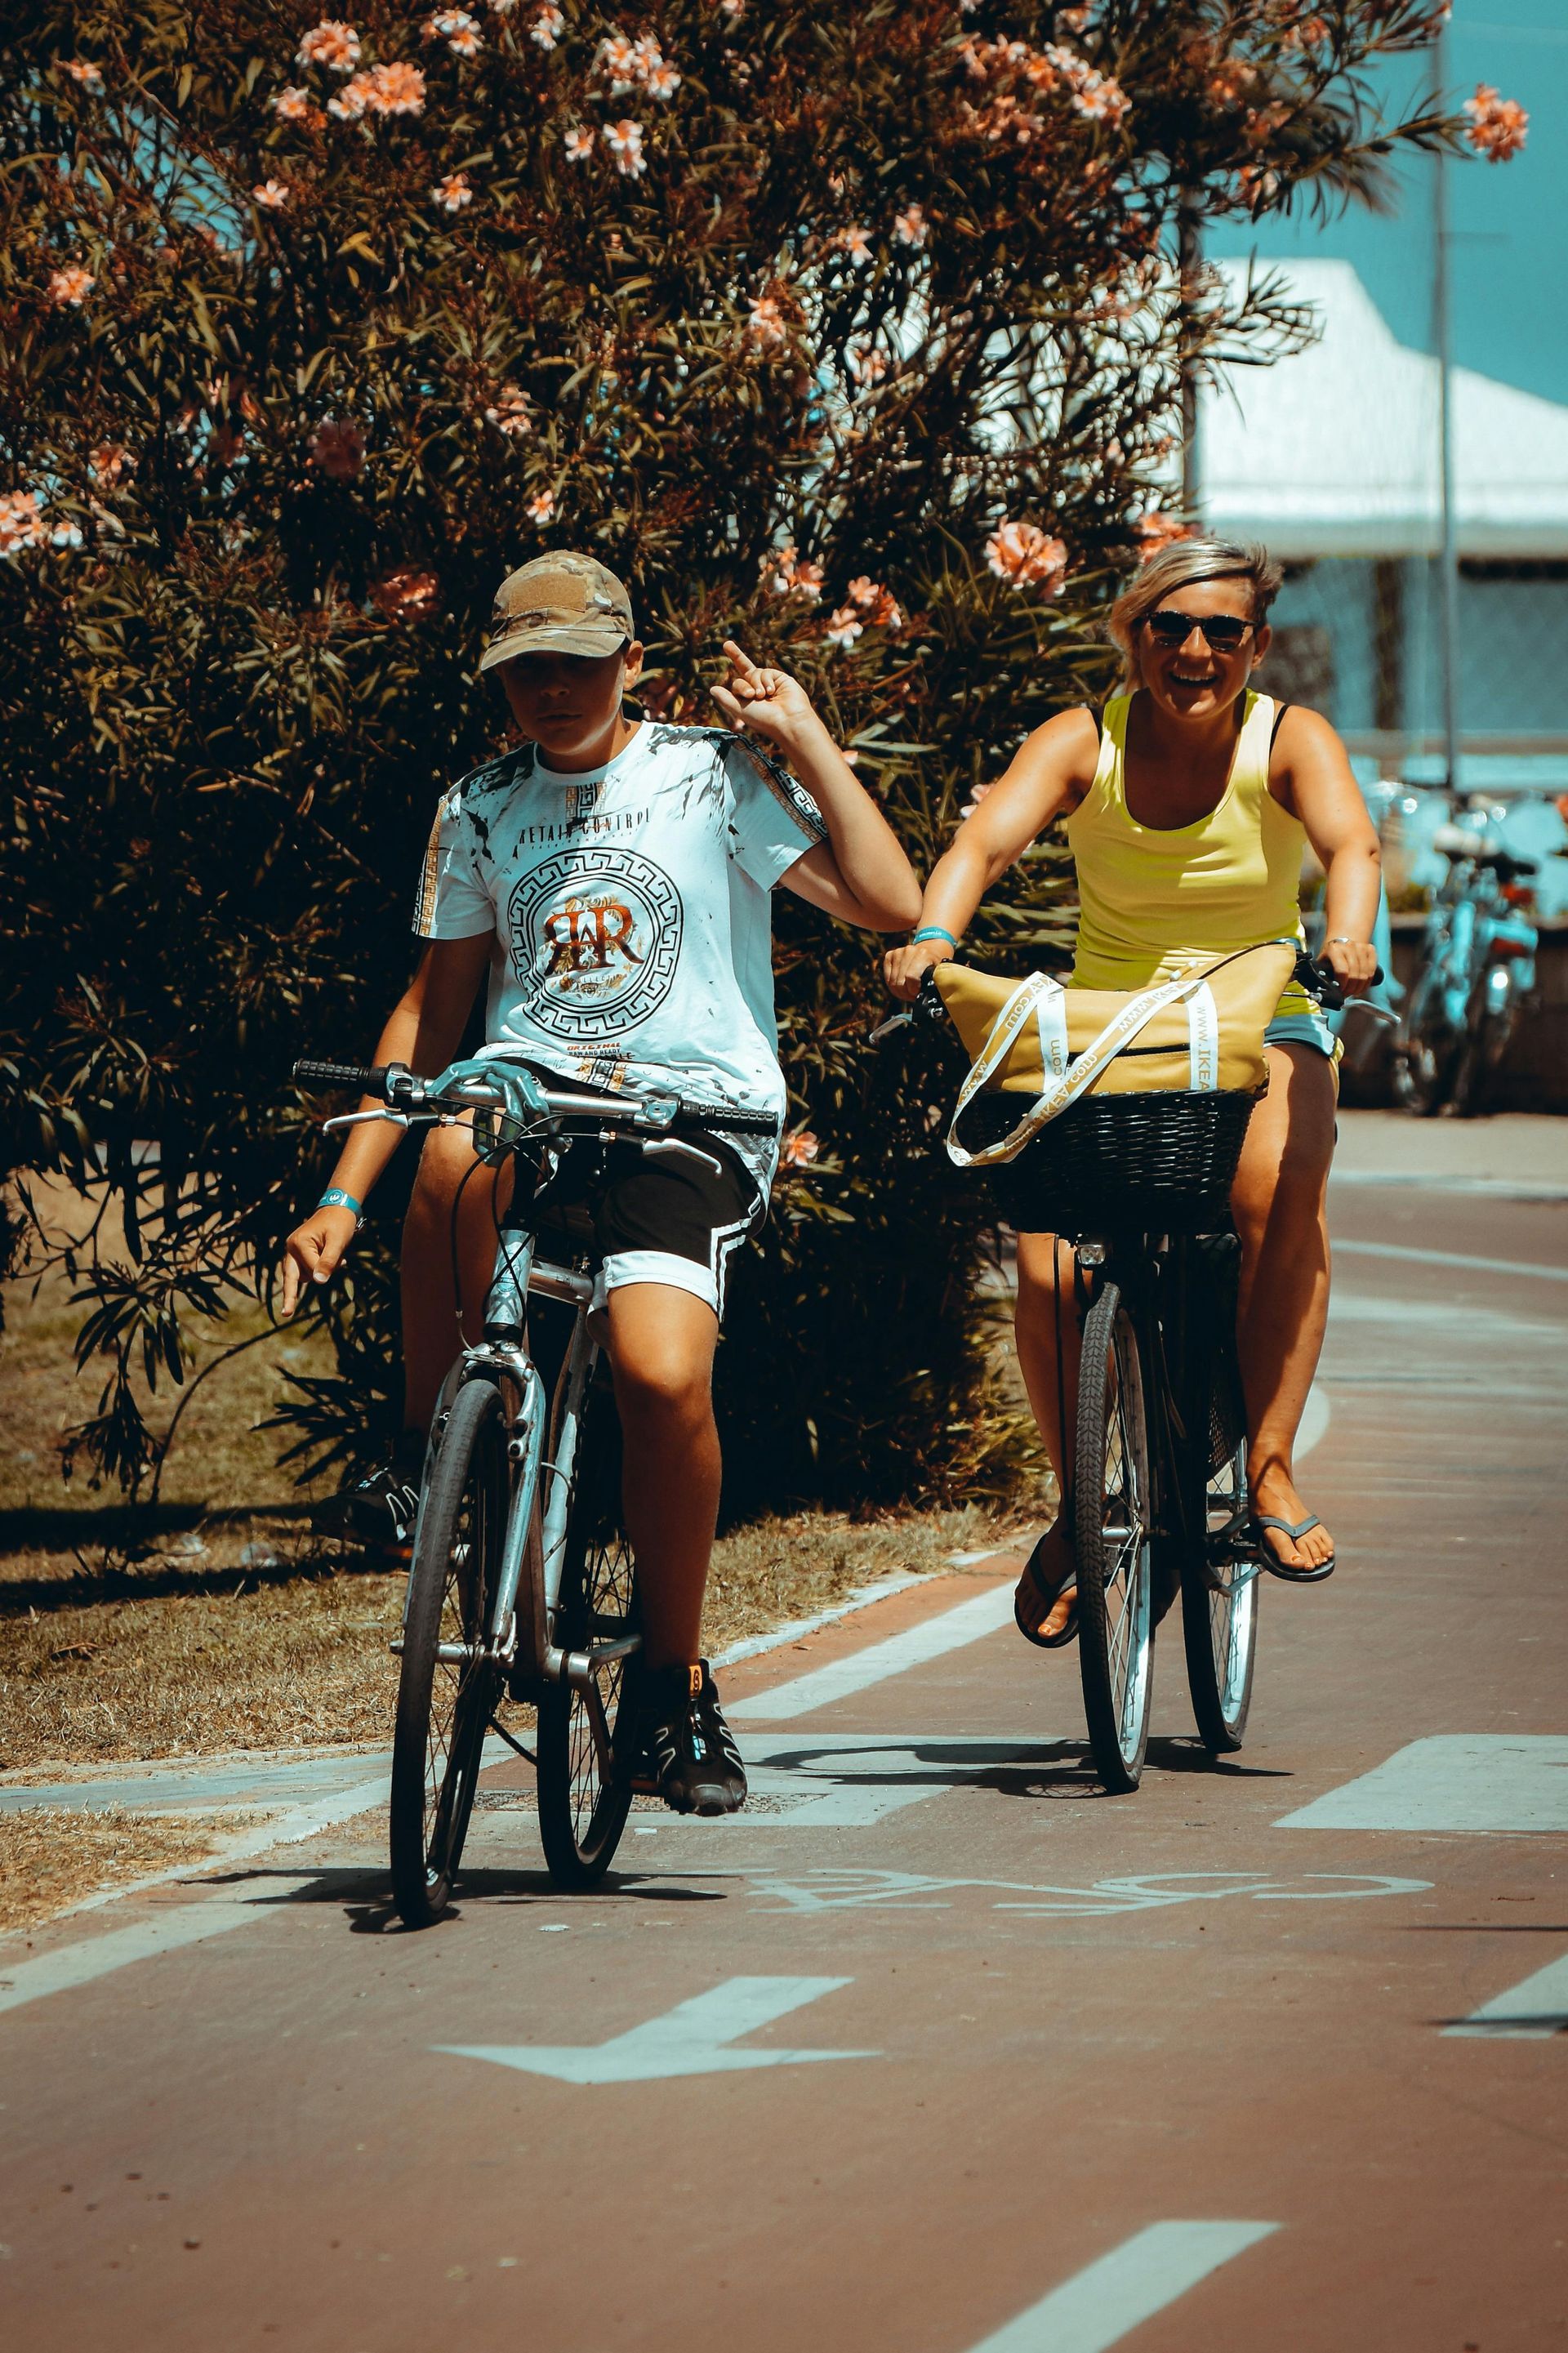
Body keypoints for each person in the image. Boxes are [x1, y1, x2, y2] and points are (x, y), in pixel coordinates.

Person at [279, 550, 921, 1812]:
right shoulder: (478, 805)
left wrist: (806, 737)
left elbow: (892, 902)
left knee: (661, 1371)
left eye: (577, 661)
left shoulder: (710, 774)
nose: (551, 687)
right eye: (526, 668)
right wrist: (340, 1198)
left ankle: (675, 1691)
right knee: (453, 1142)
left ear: (632, 661)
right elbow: (432, 1008)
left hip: (690, 1119)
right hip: (533, 1106)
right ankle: (427, 1453)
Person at [884, 537, 1380, 1641]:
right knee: (1047, 1257)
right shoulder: (1083, 741)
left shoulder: (1289, 738)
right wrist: (931, 932)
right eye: (1171, 627)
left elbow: (1352, 843)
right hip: (1116, 1024)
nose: (1195, 651)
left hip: (1264, 1002)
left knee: (1275, 1187)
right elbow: (983, 841)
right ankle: (1079, 1506)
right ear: (1134, 634)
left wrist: (1344, 936)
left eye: (1223, 632)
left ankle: (1268, 1467)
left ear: (1255, 645)